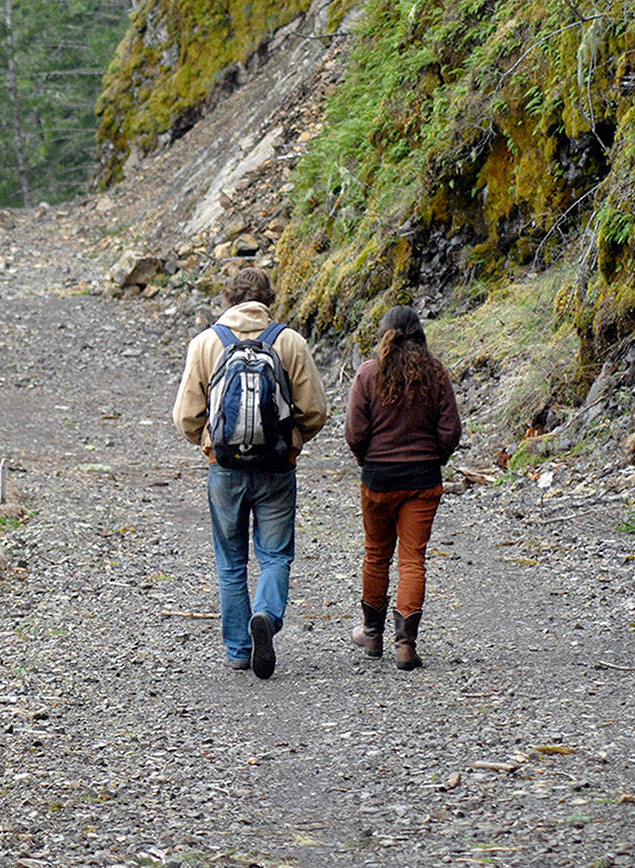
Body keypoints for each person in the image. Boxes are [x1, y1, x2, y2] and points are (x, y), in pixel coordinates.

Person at [173, 268, 328, 679]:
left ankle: (239, 649)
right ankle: (266, 614)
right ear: (267, 300)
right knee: (275, 554)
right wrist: (293, 443)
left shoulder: (207, 343)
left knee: (230, 562)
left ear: (229, 298)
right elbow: (315, 410)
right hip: (277, 466)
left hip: (224, 469)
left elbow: (186, 416)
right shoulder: (289, 341)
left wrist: (208, 443)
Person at [344, 305, 461, 670]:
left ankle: (373, 634)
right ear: (420, 334)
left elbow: (354, 433)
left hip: (379, 478)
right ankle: (406, 645)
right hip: (423, 479)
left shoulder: (368, 373)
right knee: (413, 558)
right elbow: (451, 431)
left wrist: (368, 460)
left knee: (376, 554)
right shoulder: (436, 373)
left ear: (384, 335)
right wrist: (433, 458)